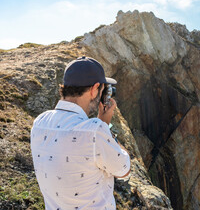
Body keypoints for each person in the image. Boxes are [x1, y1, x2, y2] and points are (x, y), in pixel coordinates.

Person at [30, 56, 131, 210]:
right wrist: (105, 126)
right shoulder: (95, 132)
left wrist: (100, 125)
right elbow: (123, 169)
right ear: (94, 89)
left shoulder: (39, 123)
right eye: (103, 89)